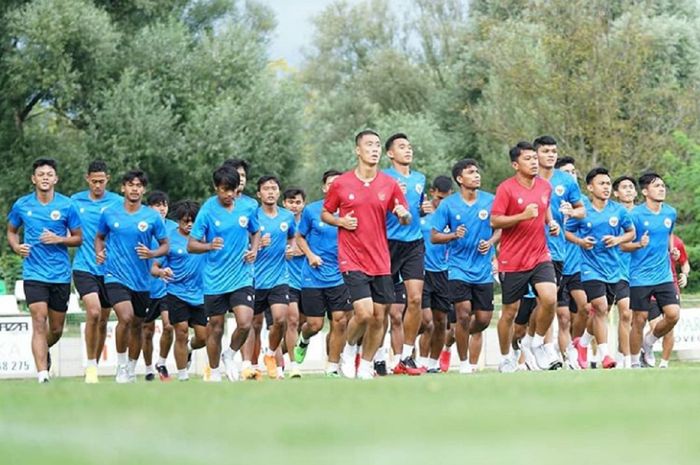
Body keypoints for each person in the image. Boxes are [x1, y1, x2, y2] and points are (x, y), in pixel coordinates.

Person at [322, 130, 411, 380]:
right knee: (363, 313)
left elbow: (405, 216)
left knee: (379, 317)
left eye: (378, 145)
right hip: (352, 257)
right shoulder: (341, 183)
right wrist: (340, 221)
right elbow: (326, 213)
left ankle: (367, 364)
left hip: (381, 259)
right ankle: (349, 351)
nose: (374, 149)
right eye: (369, 145)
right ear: (357, 150)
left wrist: (404, 215)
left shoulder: (389, 184)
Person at [7, 158, 82, 383]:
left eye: (49, 174)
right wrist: (16, 246)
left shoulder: (67, 205)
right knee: (38, 321)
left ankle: (43, 349)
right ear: (34, 179)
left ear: (56, 179)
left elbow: (79, 238)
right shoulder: (22, 205)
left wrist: (59, 238)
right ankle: (43, 374)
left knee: (56, 329)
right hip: (33, 273)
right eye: (41, 174)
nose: (45, 177)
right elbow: (11, 231)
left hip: (59, 274)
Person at [491, 141, 562, 372]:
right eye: (528, 159)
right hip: (512, 259)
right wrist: (521, 216)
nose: (533, 162)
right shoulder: (506, 189)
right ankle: (506, 356)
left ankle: (538, 342)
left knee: (550, 298)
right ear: (515, 164)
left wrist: (551, 223)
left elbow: (545, 207)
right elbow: (495, 221)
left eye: (534, 158)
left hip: (540, 255)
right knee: (510, 312)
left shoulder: (544, 186)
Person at [95, 170, 169, 383]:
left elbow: (165, 245)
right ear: (123, 188)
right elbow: (99, 238)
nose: (134, 188)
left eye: (138, 185)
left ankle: (131, 367)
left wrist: (152, 253)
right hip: (115, 275)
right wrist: (99, 252)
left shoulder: (152, 217)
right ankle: (120, 366)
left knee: (137, 324)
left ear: (143, 190)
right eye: (130, 184)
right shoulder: (109, 213)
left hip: (141, 280)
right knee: (125, 317)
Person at [188, 166, 260, 382]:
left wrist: (254, 250)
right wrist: (209, 246)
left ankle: (230, 354)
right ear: (216, 188)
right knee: (216, 327)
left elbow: (255, 231)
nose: (229, 194)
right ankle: (215, 371)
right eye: (224, 190)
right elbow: (191, 245)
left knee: (245, 322)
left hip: (241, 275)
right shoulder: (208, 210)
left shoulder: (247, 208)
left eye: (233, 190)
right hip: (215, 279)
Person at [431, 160, 500, 374]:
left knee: (483, 319)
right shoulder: (448, 205)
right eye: (471, 172)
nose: (476, 175)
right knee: (463, 314)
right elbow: (434, 236)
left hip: (483, 270)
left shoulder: (491, 200)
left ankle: (453, 337)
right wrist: (453, 235)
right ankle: (464, 364)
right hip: (457, 268)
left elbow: (500, 228)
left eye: (477, 171)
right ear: (460, 179)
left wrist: (490, 243)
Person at [565, 167, 635, 369]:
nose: (605, 187)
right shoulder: (582, 211)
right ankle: (606, 355)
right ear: (590, 187)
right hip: (589, 267)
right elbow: (567, 232)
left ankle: (582, 343)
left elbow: (631, 232)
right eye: (601, 183)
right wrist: (580, 242)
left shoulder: (618, 211)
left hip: (613, 269)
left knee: (599, 313)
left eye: (607, 184)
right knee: (601, 308)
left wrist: (618, 239)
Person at [294, 170, 353, 377]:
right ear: (325, 187)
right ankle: (304, 339)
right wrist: (309, 255)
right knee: (315, 324)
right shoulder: (312, 211)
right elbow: (299, 237)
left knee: (340, 320)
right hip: (313, 275)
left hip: (340, 274)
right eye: (331, 183)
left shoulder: (351, 211)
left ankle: (332, 367)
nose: (335, 186)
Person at [533, 137, 585, 365]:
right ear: (536, 154)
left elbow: (582, 209)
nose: (551, 155)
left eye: (554, 151)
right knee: (545, 301)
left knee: (550, 302)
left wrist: (572, 213)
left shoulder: (567, 181)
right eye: (546, 151)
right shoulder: (528, 179)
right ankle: (544, 347)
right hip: (531, 248)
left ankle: (541, 345)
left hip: (557, 250)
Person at [71, 160, 121, 383]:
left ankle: (95, 364)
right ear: (87, 179)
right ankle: (90, 366)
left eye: (102, 181)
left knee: (103, 320)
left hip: (110, 270)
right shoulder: (74, 202)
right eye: (94, 181)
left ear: (107, 180)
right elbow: (67, 230)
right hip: (84, 267)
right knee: (93, 312)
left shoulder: (118, 203)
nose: (98, 185)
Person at [382, 133, 428, 375]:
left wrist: (423, 208)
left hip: (414, 243)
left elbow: (417, 205)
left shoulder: (420, 178)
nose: (408, 151)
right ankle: (378, 357)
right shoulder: (383, 177)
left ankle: (407, 356)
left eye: (409, 147)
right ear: (390, 153)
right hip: (387, 243)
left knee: (415, 300)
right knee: (382, 306)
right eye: (402, 147)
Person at [623, 172, 680, 368]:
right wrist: (639, 244)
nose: (662, 189)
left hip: (663, 275)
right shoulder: (634, 215)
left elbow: (669, 232)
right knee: (638, 320)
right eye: (657, 186)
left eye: (663, 186)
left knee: (673, 315)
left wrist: (671, 249)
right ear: (645, 191)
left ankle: (648, 342)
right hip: (640, 276)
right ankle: (633, 363)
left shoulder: (670, 212)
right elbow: (622, 246)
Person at [152, 200, 207, 381]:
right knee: (180, 331)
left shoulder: (204, 237)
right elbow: (153, 267)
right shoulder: (168, 239)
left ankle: (190, 349)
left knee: (203, 338)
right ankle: (183, 376)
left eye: (193, 221)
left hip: (200, 294)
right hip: (176, 292)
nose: (189, 224)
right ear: (179, 221)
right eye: (185, 221)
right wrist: (161, 272)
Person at [250, 175, 297, 379]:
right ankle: (249, 364)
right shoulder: (252, 216)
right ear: (259, 193)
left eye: (274, 188)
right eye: (266, 188)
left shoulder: (287, 217)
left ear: (278, 192)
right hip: (254, 279)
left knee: (280, 320)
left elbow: (293, 236)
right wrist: (257, 245)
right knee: (251, 324)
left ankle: (270, 354)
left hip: (279, 277)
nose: (270, 192)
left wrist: (291, 248)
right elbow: (242, 243)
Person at [555, 157, 590, 368]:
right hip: (557, 263)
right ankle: (568, 358)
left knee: (585, 308)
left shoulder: (583, 201)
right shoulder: (550, 197)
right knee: (563, 317)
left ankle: (576, 346)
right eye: (566, 172)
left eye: (574, 172)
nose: (572, 175)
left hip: (578, 266)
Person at [142, 191, 178, 381]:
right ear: (149, 208)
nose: (162, 208)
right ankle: (148, 368)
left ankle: (162, 363)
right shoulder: (142, 227)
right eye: (157, 204)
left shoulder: (173, 228)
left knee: (169, 325)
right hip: (145, 286)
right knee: (146, 331)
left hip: (166, 286)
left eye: (164, 204)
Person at [418, 175, 453, 373]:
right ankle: (420, 360)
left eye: (446, 198)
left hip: (444, 273)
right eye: (439, 198)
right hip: (422, 272)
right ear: (432, 193)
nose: (441, 202)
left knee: (441, 322)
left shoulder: (452, 215)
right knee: (427, 321)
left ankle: (433, 363)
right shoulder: (422, 213)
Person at [645, 233, 690, 368]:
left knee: (669, 327)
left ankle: (664, 363)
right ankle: (646, 345)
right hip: (651, 287)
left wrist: (685, 274)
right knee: (656, 327)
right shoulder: (648, 238)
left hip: (671, 286)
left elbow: (684, 262)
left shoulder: (677, 241)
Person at [611, 175, 638, 367]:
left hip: (640, 271)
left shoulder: (644, 213)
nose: (628, 190)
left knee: (637, 317)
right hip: (617, 269)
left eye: (631, 187)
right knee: (626, 314)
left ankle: (626, 353)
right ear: (616, 193)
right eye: (624, 187)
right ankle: (626, 360)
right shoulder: (613, 214)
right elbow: (618, 245)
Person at [282, 187, 307, 375]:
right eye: (290, 202)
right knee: (292, 320)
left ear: (303, 205)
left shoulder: (309, 223)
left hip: (307, 280)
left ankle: (273, 350)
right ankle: (294, 366)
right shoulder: (279, 223)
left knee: (305, 324)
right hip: (286, 279)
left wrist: (305, 250)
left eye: (297, 202)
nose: (294, 206)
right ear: (284, 203)